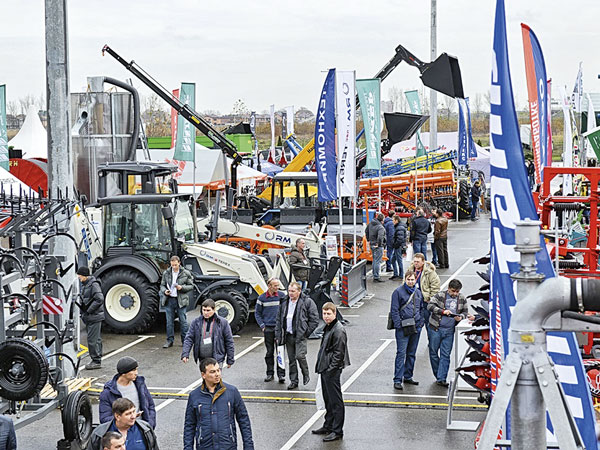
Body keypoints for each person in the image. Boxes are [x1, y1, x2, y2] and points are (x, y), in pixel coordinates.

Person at [183, 357, 254, 450]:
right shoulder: (194, 396)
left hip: (228, 446)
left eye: (218, 370)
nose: (217, 374)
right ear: (203, 375)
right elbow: (189, 425)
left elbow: (244, 420)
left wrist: (248, 446)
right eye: (212, 372)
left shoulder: (232, 392)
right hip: (205, 447)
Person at [312, 302, 350, 442]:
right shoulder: (329, 327)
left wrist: (330, 369)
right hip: (325, 368)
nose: (326, 316)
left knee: (335, 401)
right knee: (328, 399)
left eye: (329, 314)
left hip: (331, 370)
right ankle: (328, 425)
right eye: (324, 313)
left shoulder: (338, 330)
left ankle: (337, 430)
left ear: (334, 314)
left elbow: (339, 353)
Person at [275, 281, 319, 390]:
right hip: (288, 335)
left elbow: (314, 320)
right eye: (289, 291)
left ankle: (306, 374)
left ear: (299, 291)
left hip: (300, 335)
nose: (290, 293)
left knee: (300, 356)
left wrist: (306, 332)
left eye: (293, 291)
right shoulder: (284, 302)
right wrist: (278, 334)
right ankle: (294, 381)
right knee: (291, 360)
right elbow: (279, 319)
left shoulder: (307, 302)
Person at [427, 279, 470, 387]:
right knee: (433, 353)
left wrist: (460, 317)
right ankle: (438, 374)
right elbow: (430, 306)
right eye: (453, 291)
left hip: (449, 331)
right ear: (448, 289)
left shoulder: (462, 298)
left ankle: (442, 378)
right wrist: (442, 311)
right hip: (436, 329)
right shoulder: (440, 295)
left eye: (457, 291)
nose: (455, 293)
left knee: (445, 355)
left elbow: (465, 312)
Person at [99, 356, 156, 429]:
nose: (136, 373)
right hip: (121, 434)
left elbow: (150, 406)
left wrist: (150, 425)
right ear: (123, 373)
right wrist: (124, 421)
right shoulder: (108, 393)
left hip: (142, 430)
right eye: (133, 370)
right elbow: (105, 418)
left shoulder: (140, 384)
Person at [390, 271, 424, 390]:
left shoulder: (418, 292)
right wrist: (399, 325)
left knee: (411, 353)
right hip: (403, 328)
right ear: (405, 279)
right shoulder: (398, 292)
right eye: (408, 279)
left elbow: (421, 308)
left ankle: (408, 376)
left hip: (416, 327)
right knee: (401, 353)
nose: (410, 282)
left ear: (415, 280)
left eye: (412, 279)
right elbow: (394, 310)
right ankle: (397, 379)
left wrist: (421, 323)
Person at [87, 398, 159, 450]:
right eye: (128, 414)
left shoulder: (145, 429)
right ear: (117, 416)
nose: (133, 416)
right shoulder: (99, 433)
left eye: (133, 411)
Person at [182, 299, 235, 368]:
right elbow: (189, 339)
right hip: (202, 359)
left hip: (217, 359)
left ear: (214, 309)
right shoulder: (196, 322)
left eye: (208, 310)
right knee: (206, 378)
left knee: (215, 378)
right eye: (204, 310)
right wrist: (185, 354)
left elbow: (229, 341)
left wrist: (230, 360)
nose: (205, 313)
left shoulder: (223, 323)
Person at [254, 278, 286, 383]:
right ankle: (270, 373)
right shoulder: (262, 298)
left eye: (278, 285)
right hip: (268, 328)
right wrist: (262, 326)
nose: (277, 288)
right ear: (269, 286)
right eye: (275, 286)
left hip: (279, 328)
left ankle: (281, 375)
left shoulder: (282, 296)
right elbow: (257, 313)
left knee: (280, 352)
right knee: (269, 352)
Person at [160, 255, 194, 348]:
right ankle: (169, 341)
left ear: (179, 263)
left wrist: (181, 287)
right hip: (169, 299)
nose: (174, 267)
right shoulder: (166, 273)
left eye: (175, 265)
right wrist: (164, 291)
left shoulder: (185, 273)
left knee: (183, 322)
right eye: (172, 265)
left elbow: (191, 286)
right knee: (169, 322)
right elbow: (162, 285)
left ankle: (185, 342)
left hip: (180, 300)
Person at [78, 267, 104, 370]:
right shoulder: (87, 285)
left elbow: (99, 299)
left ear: (84, 275)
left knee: (92, 340)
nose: (79, 278)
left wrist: (88, 310)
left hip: (94, 316)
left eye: (79, 276)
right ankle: (97, 359)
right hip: (92, 317)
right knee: (96, 339)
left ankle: (96, 361)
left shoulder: (93, 285)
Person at [407, 253, 441, 327]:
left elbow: (435, 286)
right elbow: (405, 282)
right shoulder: (410, 270)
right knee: (414, 325)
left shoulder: (430, 272)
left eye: (418, 262)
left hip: (425, 302)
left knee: (428, 324)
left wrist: (430, 298)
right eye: (414, 261)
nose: (415, 263)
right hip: (413, 302)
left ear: (423, 262)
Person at [367, 213, 386, 282]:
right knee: (377, 261)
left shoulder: (370, 224)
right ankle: (376, 276)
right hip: (377, 245)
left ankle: (374, 274)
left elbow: (366, 231)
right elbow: (380, 237)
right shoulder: (380, 227)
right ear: (382, 219)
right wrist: (379, 244)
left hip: (372, 244)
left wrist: (368, 240)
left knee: (374, 260)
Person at [390, 215, 407, 281]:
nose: (392, 221)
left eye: (393, 220)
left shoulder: (399, 227)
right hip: (398, 246)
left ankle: (400, 275)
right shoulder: (399, 227)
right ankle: (396, 274)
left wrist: (395, 245)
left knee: (398, 261)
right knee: (393, 260)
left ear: (396, 220)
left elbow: (400, 238)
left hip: (398, 246)